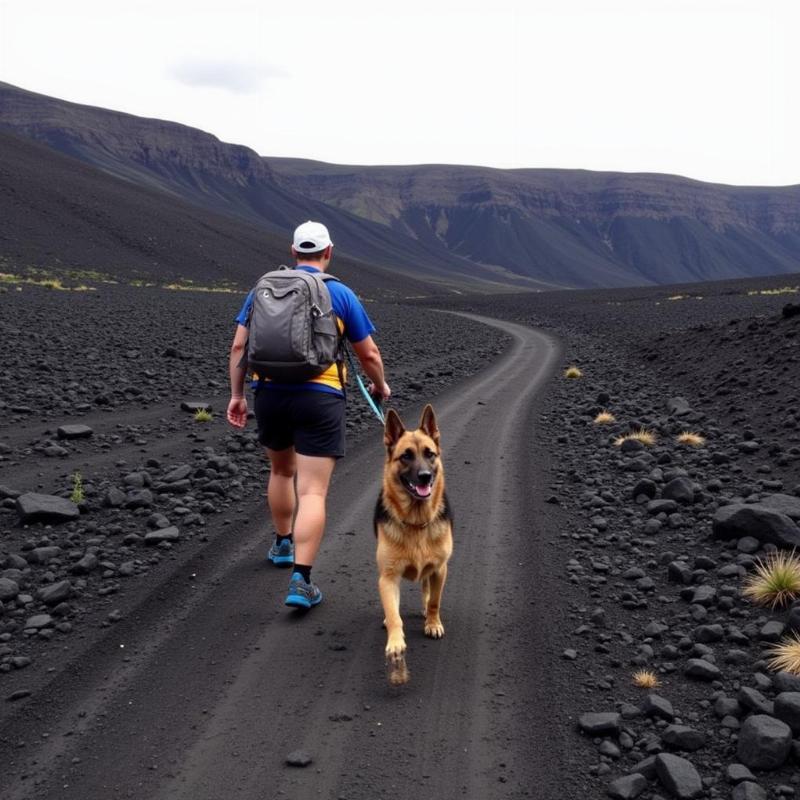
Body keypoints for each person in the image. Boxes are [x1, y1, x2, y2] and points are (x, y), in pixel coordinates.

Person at [226, 221, 391, 609]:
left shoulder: (260, 290)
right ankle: (301, 581)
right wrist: (380, 386)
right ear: (329, 252)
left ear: (293, 251)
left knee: (281, 471)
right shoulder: (340, 293)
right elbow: (368, 354)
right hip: (320, 396)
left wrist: (237, 396)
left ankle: (282, 544)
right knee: (312, 490)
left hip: (269, 392)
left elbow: (238, 348)